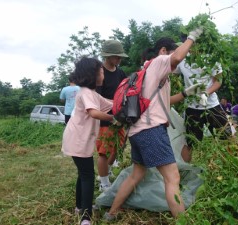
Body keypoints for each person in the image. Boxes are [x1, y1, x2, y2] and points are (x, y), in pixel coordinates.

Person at [104, 28, 204, 221]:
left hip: (138, 131)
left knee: (137, 173)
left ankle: (112, 213)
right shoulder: (159, 62)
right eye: (175, 52)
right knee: (172, 178)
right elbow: (176, 59)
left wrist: (186, 93)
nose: (180, 60)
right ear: (164, 51)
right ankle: (182, 221)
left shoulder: (152, 73)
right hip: (151, 131)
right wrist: (191, 38)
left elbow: (162, 103)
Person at [61, 57, 120, 225]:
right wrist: (114, 118)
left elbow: (110, 103)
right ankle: (85, 217)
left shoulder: (92, 94)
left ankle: (80, 207)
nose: (103, 74)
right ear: (92, 75)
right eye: (101, 72)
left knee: (83, 173)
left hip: (79, 139)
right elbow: (94, 113)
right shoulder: (86, 93)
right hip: (78, 140)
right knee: (88, 175)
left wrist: (125, 102)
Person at [175, 49, 231, 163]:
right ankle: (185, 171)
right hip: (192, 107)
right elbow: (169, 70)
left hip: (212, 105)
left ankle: (230, 165)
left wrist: (206, 93)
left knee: (227, 135)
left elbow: (218, 81)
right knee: (190, 143)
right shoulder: (182, 58)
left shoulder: (212, 58)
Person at [96, 40, 128, 192]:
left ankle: (107, 172)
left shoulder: (120, 72)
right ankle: (103, 183)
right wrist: (115, 103)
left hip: (119, 116)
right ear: (108, 56)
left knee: (119, 146)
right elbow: (97, 98)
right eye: (117, 57)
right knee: (103, 150)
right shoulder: (99, 72)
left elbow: (125, 90)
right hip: (104, 117)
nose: (119, 60)